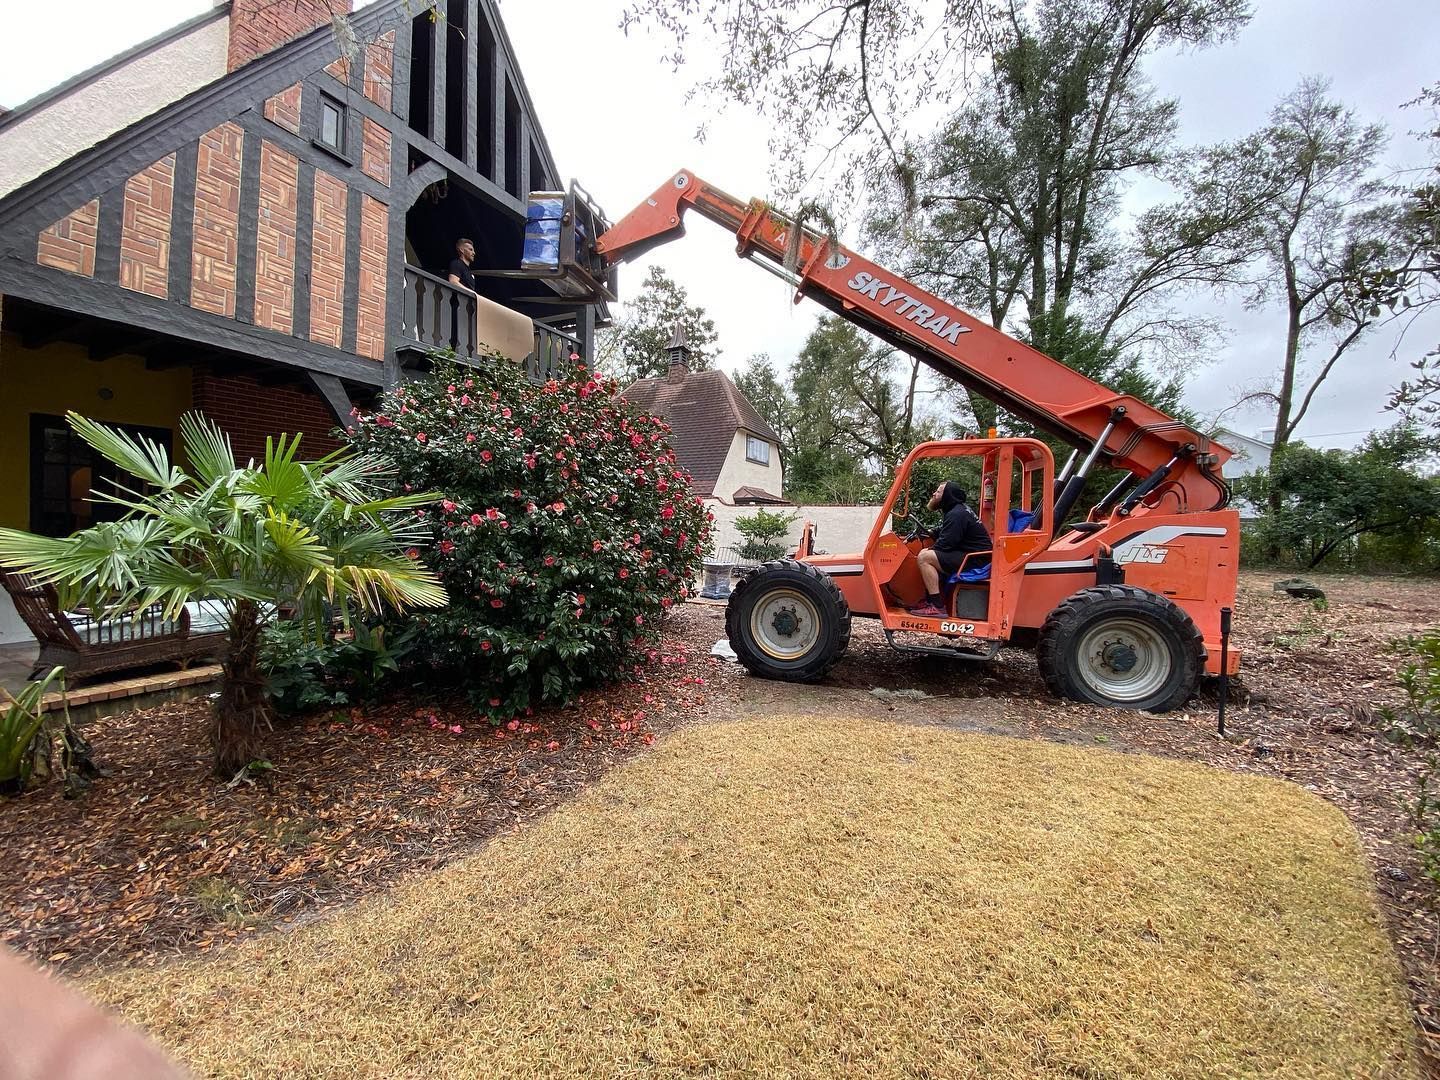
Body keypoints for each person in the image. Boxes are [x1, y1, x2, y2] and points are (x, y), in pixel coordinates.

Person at [908, 481, 991, 617]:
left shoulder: (956, 514)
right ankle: (931, 600)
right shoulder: (958, 510)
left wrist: (930, 549)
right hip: (973, 555)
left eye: (938, 492)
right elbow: (948, 531)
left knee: (924, 558)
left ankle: (937, 606)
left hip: (975, 560)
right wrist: (932, 533)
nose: (934, 494)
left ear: (947, 495)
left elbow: (946, 544)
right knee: (927, 554)